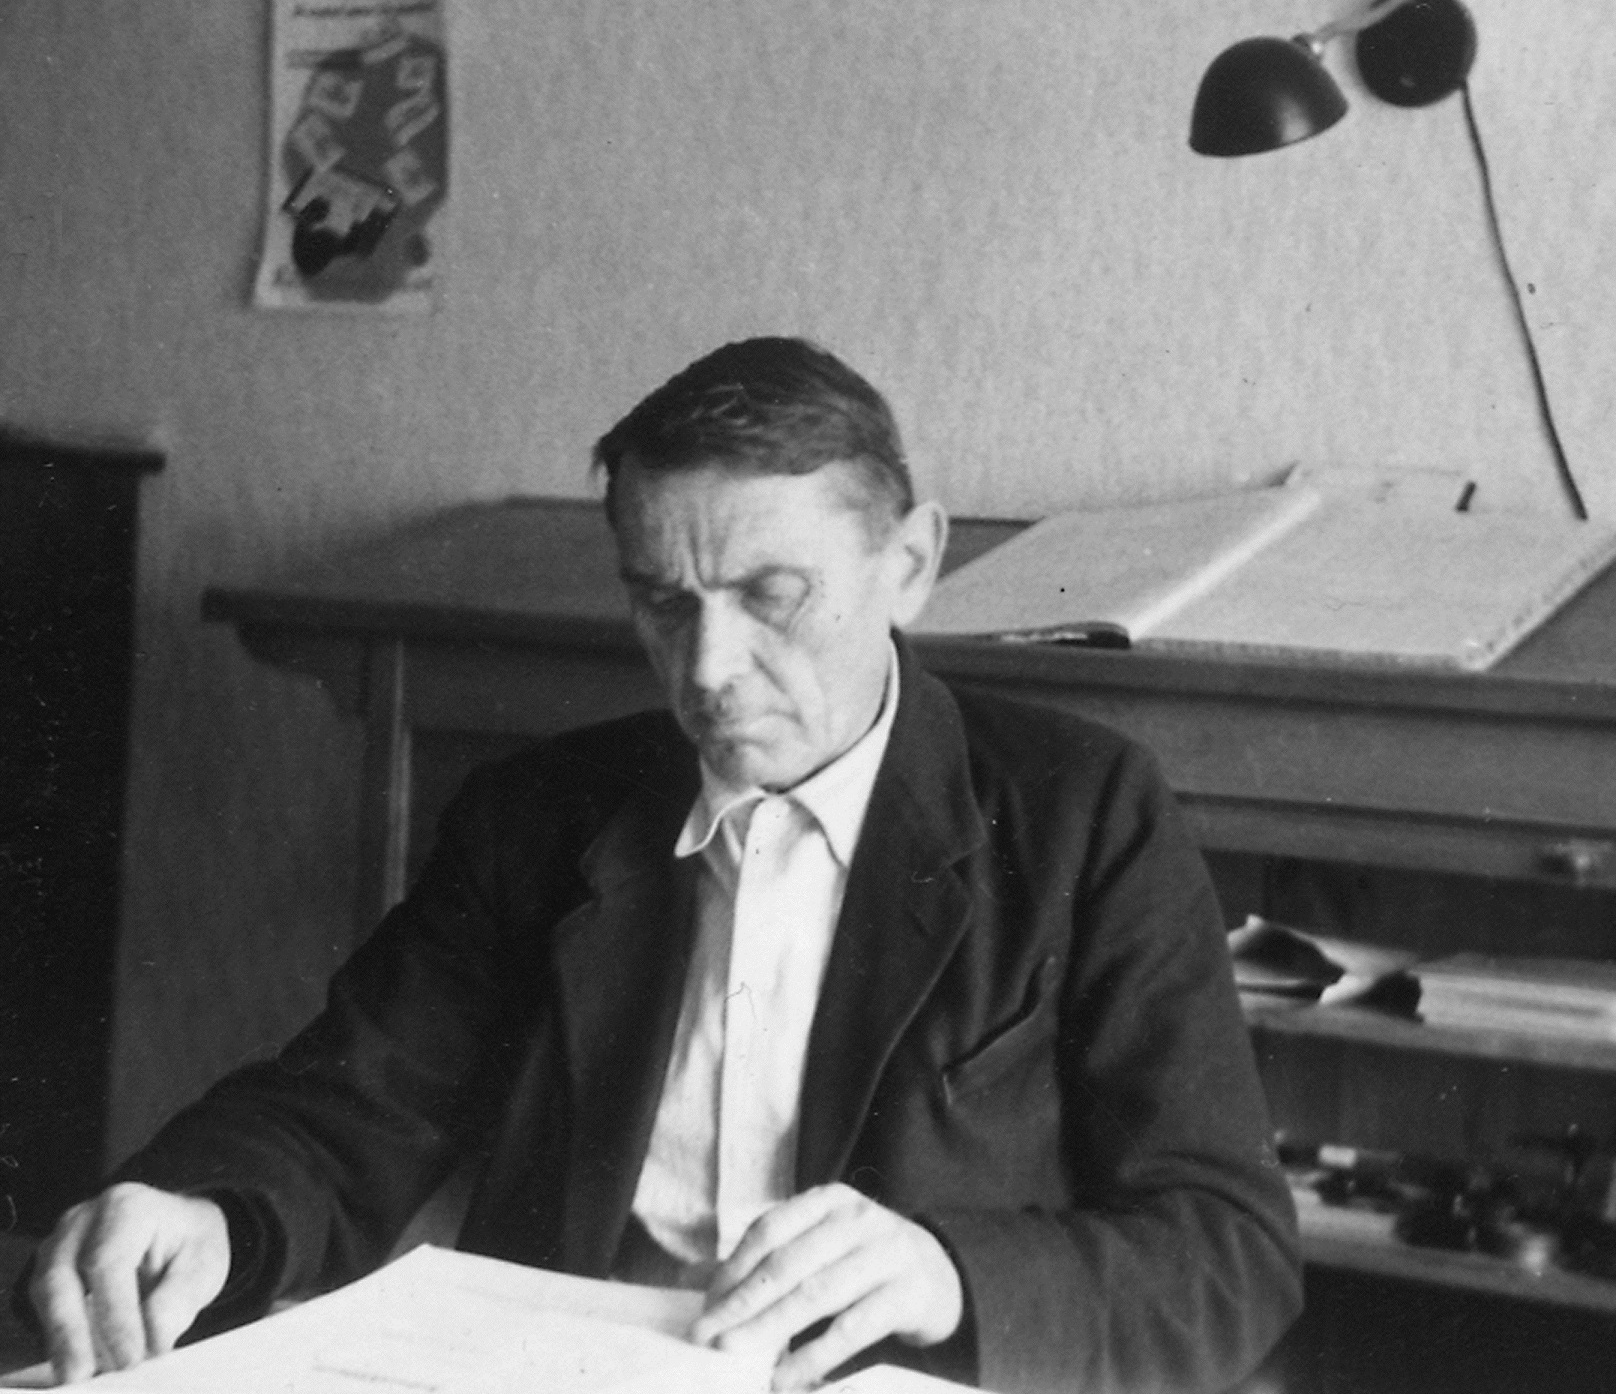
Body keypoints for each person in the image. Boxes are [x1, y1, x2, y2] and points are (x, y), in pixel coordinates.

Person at [26, 338, 1301, 1392]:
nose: (707, 668)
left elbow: (1228, 1250)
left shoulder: (1082, 813)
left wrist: (948, 1273)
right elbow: (350, 1105)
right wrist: (208, 1210)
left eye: (771, 596)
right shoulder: (540, 815)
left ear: (909, 564)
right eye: (664, 601)